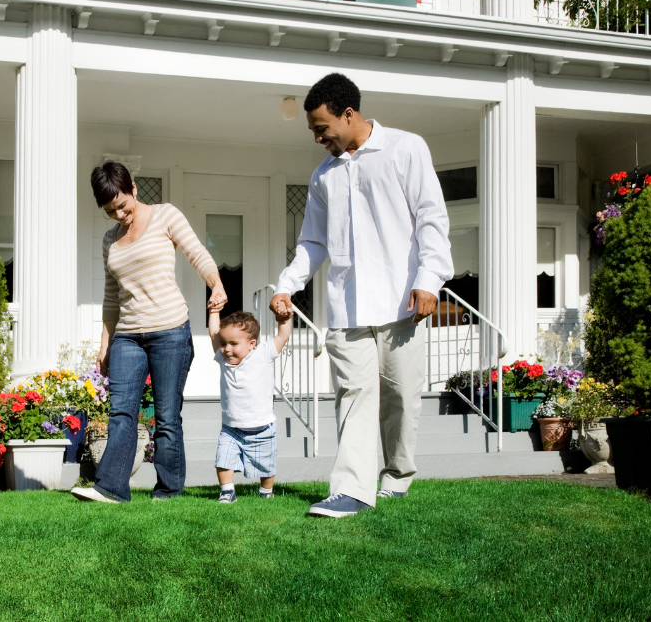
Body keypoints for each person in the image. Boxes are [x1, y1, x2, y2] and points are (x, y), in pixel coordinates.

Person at [271, 73, 453, 518]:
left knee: (402, 398)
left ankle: (397, 476)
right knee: (353, 396)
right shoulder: (323, 177)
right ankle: (351, 488)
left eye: (321, 127)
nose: (318, 138)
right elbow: (313, 243)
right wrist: (287, 284)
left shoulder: (406, 149)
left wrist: (429, 279)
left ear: (348, 114)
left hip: (402, 304)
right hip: (347, 308)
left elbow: (431, 217)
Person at [71, 161, 227, 503]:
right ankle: (111, 487)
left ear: (135, 189)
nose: (119, 215)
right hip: (127, 335)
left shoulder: (165, 215)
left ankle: (168, 491)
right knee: (121, 412)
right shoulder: (109, 240)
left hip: (170, 330)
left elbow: (196, 253)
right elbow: (112, 296)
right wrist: (105, 344)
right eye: (110, 211)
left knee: (166, 415)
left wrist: (215, 284)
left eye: (123, 206)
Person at [208, 309, 291, 503]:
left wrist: (285, 318)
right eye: (223, 344)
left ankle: (265, 490)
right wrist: (214, 311)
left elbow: (283, 335)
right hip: (231, 428)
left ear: (252, 344)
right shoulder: (223, 359)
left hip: (262, 427)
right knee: (223, 459)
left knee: (266, 464)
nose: (227, 349)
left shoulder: (262, 353)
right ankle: (227, 491)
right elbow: (214, 333)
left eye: (233, 344)